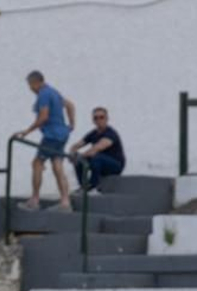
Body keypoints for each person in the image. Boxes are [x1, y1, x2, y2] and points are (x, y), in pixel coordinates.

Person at [14, 70, 76, 211]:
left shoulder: (43, 94)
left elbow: (43, 117)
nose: (31, 89)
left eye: (30, 85)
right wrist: (71, 124)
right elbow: (70, 105)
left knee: (37, 163)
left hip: (51, 136)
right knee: (57, 164)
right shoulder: (54, 92)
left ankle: (34, 200)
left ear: (36, 83)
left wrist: (27, 131)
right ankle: (65, 202)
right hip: (62, 135)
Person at [70, 107, 125, 193]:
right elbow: (77, 145)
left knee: (95, 157)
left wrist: (80, 156)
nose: (99, 120)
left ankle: (94, 187)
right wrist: (72, 153)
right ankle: (84, 187)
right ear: (93, 120)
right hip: (99, 162)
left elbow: (97, 148)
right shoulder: (93, 133)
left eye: (101, 117)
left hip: (115, 165)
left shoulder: (111, 133)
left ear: (107, 119)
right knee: (80, 161)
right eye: (96, 118)